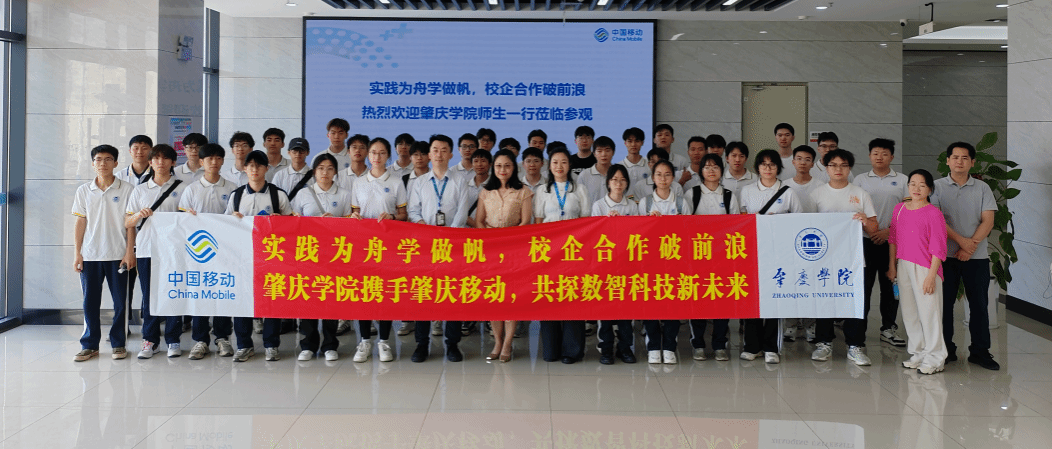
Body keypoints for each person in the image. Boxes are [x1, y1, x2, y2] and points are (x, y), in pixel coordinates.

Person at [930, 142, 1000, 371]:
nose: (959, 161)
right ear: (947, 161)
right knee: (944, 305)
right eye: (955, 157)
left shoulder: (982, 188)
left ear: (972, 162)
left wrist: (969, 248)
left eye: (964, 158)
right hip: (944, 257)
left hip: (976, 258)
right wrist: (962, 242)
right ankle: (946, 350)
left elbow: (988, 220)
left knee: (979, 305)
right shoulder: (936, 187)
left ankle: (980, 352)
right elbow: (937, 220)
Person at [810, 149, 880, 366]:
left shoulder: (860, 193)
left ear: (849, 168)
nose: (838, 169)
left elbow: (874, 227)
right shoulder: (817, 194)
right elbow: (808, 225)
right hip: (824, 257)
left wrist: (865, 221)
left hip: (854, 257)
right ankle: (824, 342)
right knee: (825, 298)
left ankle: (855, 345)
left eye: (843, 165)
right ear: (826, 168)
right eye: (833, 165)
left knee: (856, 299)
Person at [225, 150, 294, 362]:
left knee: (272, 298)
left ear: (266, 168)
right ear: (245, 169)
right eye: (250, 166)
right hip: (243, 256)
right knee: (242, 299)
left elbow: (292, 226)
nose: (254, 169)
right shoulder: (237, 195)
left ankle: (271, 344)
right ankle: (244, 345)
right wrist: (234, 219)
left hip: (272, 256)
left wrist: (280, 220)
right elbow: (225, 225)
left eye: (259, 165)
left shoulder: (278, 195)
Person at [407, 134, 470, 363]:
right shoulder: (419, 182)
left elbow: (462, 212)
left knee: (452, 295)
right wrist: (426, 231)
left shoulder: (460, 181)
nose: (439, 154)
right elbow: (413, 211)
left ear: (451, 154)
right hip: (426, 247)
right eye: (435, 150)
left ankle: (452, 344)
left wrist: (448, 236)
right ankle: (421, 344)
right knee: (424, 295)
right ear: (429, 154)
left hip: (452, 247)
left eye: (444, 150)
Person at [71, 144, 136, 362]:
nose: (103, 163)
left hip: (118, 255)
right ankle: (89, 345)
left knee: (121, 303)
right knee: (89, 302)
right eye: (98, 159)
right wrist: (77, 253)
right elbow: (80, 222)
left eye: (108, 159)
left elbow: (130, 225)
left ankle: (118, 344)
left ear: (116, 163)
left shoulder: (127, 189)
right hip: (90, 256)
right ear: (92, 164)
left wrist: (129, 252)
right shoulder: (83, 191)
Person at [739, 149, 803, 364]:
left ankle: (771, 347)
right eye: (763, 164)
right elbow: (741, 221)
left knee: (775, 298)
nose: (767, 168)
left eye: (772, 164)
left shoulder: (789, 192)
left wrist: (780, 221)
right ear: (757, 167)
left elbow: (799, 222)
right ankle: (752, 346)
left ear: (778, 167)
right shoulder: (747, 190)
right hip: (752, 252)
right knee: (752, 298)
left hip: (779, 253)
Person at [125, 144, 189, 359]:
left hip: (175, 250)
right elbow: (127, 222)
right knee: (149, 296)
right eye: (156, 159)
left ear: (173, 162)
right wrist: (138, 215)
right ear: (150, 163)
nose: (160, 162)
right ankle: (150, 341)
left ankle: (173, 339)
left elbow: (189, 221)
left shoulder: (184, 188)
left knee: (174, 292)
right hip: (147, 249)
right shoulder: (140, 190)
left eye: (165, 158)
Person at [349, 137, 408, 362]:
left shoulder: (396, 182)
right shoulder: (358, 182)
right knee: (364, 293)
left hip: (388, 246)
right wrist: (354, 217)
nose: (377, 157)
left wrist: (392, 216)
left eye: (382, 153)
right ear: (368, 155)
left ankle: (384, 341)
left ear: (388, 156)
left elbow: (403, 215)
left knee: (385, 293)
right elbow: (354, 212)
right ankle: (364, 341)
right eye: (373, 152)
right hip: (364, 246)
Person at [178, 143, 238, 360]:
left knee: (223, 292)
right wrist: (188, 217)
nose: (214, 162)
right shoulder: (191, 189)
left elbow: (236, 219)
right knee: (200, 293)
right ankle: (200, 340)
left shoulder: (232, 188)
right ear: (201, 162)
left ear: (222, 161)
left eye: (218, 158)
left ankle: (222, 337)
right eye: (209, 159)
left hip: (226, 251)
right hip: (199, 252)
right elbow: (181, 220)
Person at [292, 153, 353, 362]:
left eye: (329, 168)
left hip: (334, 255)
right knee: (308, 299)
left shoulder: (344, 194)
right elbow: (294, 223)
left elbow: (351, 226)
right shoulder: (303, 194)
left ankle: (330, 344)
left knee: (330, 300)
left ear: (335, 172)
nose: (324, 172)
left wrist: (335, 222)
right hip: (308, 254)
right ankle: (308, 345)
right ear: (314, 171)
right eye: (320, 168)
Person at [888, 169, 948, 375]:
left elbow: (939, 247)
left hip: (926, 267)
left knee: (930, 313)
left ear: (929, 189)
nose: (916, 188)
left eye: (922, 185)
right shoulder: (899, 209)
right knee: (910, 312)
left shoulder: (934, 213)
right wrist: (892, 266)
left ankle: (935, 357)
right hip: (903, 265)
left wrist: (931, 276)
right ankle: (918, 353)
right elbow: (893, 239)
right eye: (912, 184)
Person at [475, 149, 533, 362]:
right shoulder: (485, 191)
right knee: (494, 298)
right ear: (493, 167)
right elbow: (479, 220)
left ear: (514, 168)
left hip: (513, 251)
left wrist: (508, 241)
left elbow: (525, 222)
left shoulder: (523, 191)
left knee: (511, 298)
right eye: (499, 165)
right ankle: (497, 342)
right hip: (491, 251)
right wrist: (490, 241)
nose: (503, 169)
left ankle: (508, 343)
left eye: (507, 165)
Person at [534, 145, 591, 364]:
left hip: (573, 252)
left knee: (571, 298)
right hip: (548, 253)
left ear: (570, 165)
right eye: (555, 162)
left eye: (564, 162)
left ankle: (572, 350)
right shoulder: (543, 190)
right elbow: (538, 222)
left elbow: (586, 222)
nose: (559, 166)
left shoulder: (580, 189)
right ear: (549, 166)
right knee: (549, 298)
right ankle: (551, 348)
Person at [854, 138, 909, 347]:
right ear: (869, 156)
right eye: (875, 153)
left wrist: (888, 232)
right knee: (864, 287)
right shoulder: (860, 180)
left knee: (889, 286)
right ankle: (858, 331)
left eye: (884, 153)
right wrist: (870, 229)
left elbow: (907, 212)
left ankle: (888, 328)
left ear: (892, 157)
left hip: (891, 242)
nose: (879, 157)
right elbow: (855, 211)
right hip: (864, 241)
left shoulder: (902, 180)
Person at [687, 154, 739, 362]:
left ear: (721, 170)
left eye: (715, 167)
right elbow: (684, 225)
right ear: (700, 171)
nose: (711, 171)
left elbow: (736, 226)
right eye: (707, 167)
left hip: (722, 257)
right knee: (698, 301)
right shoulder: (692, 194)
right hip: (698, 256)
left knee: (722, 302)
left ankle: (720, 345)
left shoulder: (729, 195)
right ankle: (698, 344)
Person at [638, 159, 689, 365]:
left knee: (672, 304)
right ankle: (653, 345)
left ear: (673, 178)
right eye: (659, 174)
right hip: (650, 262)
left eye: (667, 174)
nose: (663, 178)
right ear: (653, 178)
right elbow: (638, 233)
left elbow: (689, 232)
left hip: (675, 261)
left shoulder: (681, 202)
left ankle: (669, 346)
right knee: (650, 304)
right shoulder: (645, 203)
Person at [591, 164, 639, 365]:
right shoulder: (599, 205)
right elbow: (594, 235)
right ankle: (606, 348)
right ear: (608, 182)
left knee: (626, 310)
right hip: (605, 265)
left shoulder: (632, 206)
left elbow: (637, 234)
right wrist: (607, 223)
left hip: (627, 265)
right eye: (614, 180)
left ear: (627, 183)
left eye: (622, 180)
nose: (618, 184)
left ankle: (625, 348)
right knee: (606, 310)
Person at [781, 145, 822, 343]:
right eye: (799, 158)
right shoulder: (784, 185)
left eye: (807, 159)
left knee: (810, 284)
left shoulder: (821, 186)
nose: (803, 163)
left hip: (813, 243)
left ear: (813, 164)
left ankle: (810, 324)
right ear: (793, 162)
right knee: (791, 282)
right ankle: (790, 324)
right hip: (789, 242)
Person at [577, 136, 618, 206]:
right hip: (591, 213)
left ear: (613, 152)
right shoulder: (584, 175)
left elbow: (628, 196)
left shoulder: (619, 174)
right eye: (599, 151)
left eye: (607, 150)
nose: (603, 154)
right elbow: (578, 200)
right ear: (594, 153)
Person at [464, 148, 492, 229]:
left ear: (490, 164)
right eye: (476, 161)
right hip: (466, 230)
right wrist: (477, 226)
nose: (479, 164)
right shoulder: (464, 186)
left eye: (483, 161)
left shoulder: (495, 187)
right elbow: (459, 210)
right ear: (472, 164)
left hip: (488, 231)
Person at [619, 127, 649, 196]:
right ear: (625, 143)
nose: (633, 144)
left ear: (642, 143)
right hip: (625, 202)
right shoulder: (619, 167)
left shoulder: (649, 165)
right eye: (630, 141)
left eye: (637, 141)